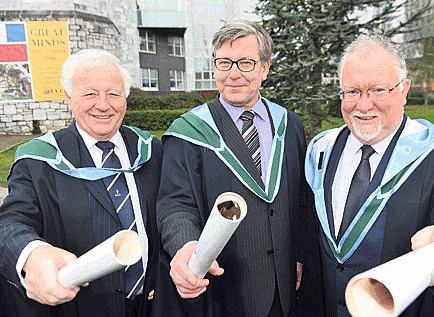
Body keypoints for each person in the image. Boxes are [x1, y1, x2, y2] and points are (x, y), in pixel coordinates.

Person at [304, 34, 434, 316]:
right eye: (352, 91)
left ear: (404, 90)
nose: (363, 105)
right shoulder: (321, 150)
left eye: (377, 90)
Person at [152, 20, 310, 317]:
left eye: (246, 63)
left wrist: (299, 256)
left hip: (285, 287)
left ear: (265, 67)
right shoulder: (189, 133)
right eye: (224, 63)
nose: (233, 73)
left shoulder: (290, 125)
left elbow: (301, 198)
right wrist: (186, 246)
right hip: (223, 290)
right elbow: (175, 204)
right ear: (214, 66)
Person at [0, 49, 164, 317]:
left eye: (113, 93)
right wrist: (32, 254)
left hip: (151, 305)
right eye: (89, 94)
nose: (103, 104)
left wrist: (164, 273)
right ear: (69, 97)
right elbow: (10, 222)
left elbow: (170, 214)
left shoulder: (151, 150)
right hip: (81, 307)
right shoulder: (40, 161)